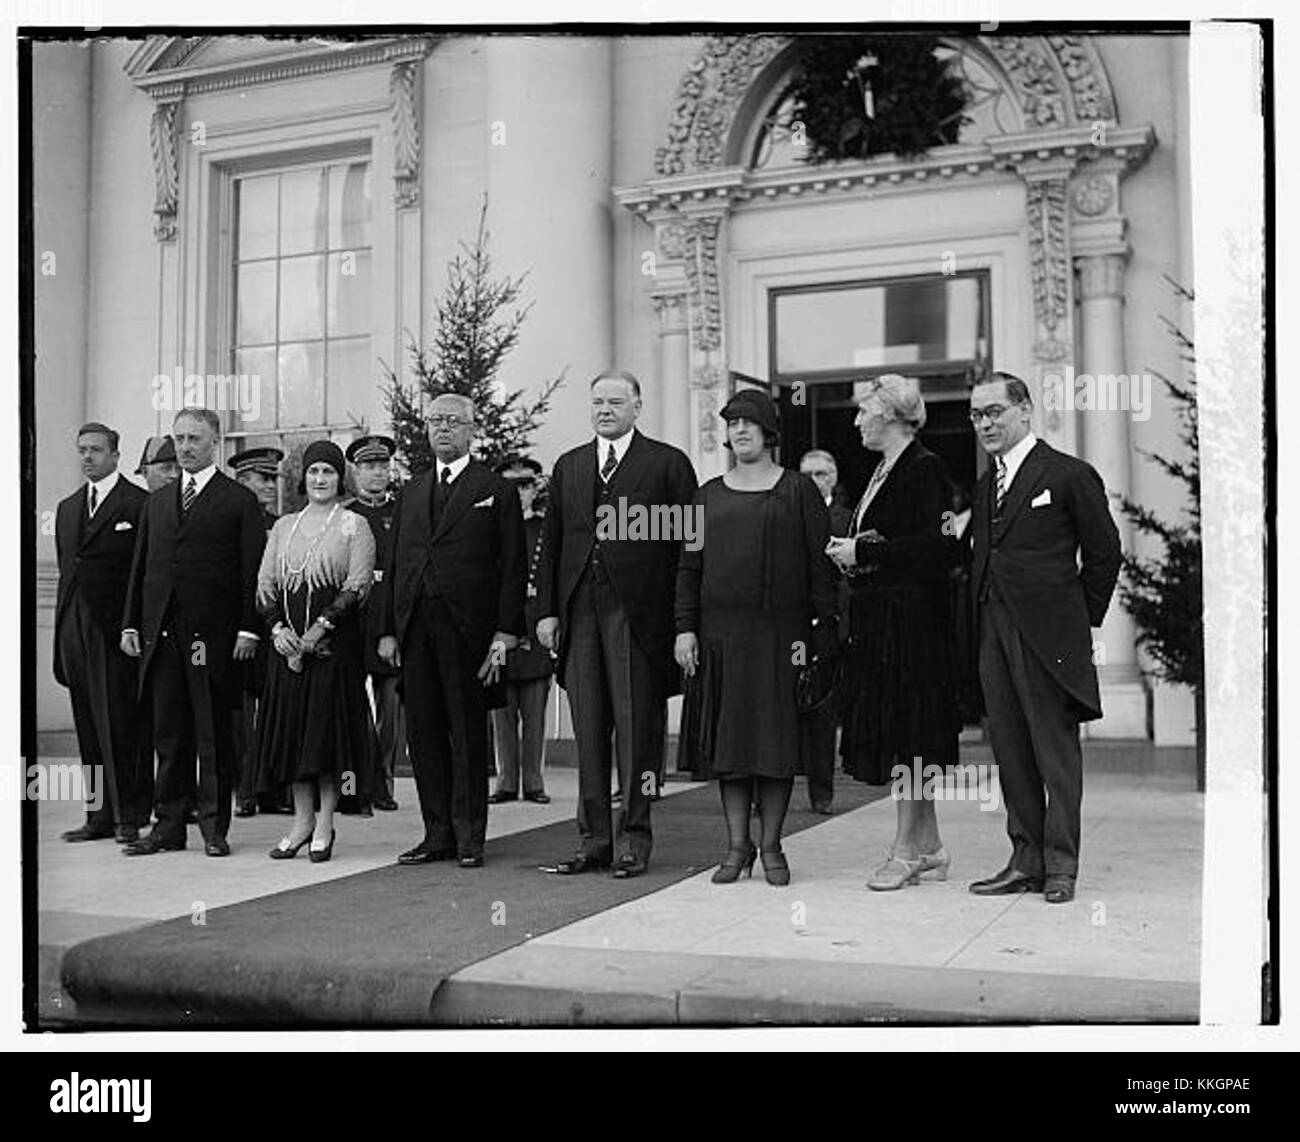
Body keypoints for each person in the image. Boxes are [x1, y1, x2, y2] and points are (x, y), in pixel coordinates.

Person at [535, 370, 697, 879]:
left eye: (615, 401)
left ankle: (634, 838)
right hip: (580, 609)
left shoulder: (667, 465)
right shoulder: (570, 466)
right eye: (597, 402)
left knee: (636, 731)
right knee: (588, 730)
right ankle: (593, 841)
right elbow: (551, 544)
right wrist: (545, 611)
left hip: (638, 614)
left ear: (637, 405)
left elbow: (687, 548)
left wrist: (682, 620)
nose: (604, 409)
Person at [966, 372, 1121, 904]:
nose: (984, 423)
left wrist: (1078, 621)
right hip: (994, 631)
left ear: (1025, 410)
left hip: (1049, 638)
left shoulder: (1069, 474)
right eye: (976, 415)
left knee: (1055, 756)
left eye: (994, 412)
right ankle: (1024, 859)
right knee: (1010, 751)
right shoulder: (987, 483)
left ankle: (1061, 867)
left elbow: (1104, 554)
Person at [677, 391, 836, 886]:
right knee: (731, 746)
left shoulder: (798, 491)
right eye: (732, 423)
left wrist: (823, 631)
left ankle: (771, 844)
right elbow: (687, 567)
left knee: (774, 744)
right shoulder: (703, 495)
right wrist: (684, 628)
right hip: (719, 637)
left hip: (780, 637)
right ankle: (736, 845)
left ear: (769, 432)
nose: (739, 430)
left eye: (749, 423)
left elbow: (820, 566)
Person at [379, 395, 526, 869]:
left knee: (466, 733)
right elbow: (396, 564)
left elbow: (511, 568)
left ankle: (469, 836)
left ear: (471, 428)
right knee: (422, 733)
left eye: (453, 422)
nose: (442, 429)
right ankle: (436, 832)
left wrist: (505, 633)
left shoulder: (495, 491)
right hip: (416, 629)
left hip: (470, 632)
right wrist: (388, 630)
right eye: (435, 421)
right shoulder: (412, 492)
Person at [827, 375, 961, 891]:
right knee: (905, 735)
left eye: (864, 412)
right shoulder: (882, 470)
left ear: (889, 415)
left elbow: (939, 548)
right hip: (883, 623)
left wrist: (865, 552)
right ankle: (929, 846)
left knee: (910, 736)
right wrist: (856, 549)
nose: (857, 422)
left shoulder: (925, 468)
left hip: (913, 627)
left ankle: (905, 851)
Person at [120, 408, 265, 857]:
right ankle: (167, 826)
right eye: (179, 438)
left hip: (213, 640)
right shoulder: (158, 502)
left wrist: (248, 629)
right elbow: (141, 568)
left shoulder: (238, 501)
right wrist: (131, 622)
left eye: (194, 439)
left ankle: (213, 828)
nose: (184, 447)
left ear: (215, 442)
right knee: (169, 734)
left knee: (213, 734)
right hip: (161, 636)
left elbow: (251, 573)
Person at [255, 440, 377, 863]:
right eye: (313, 472)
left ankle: (325, 823)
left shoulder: (353, 526)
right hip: (286, 652)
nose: (320, 479)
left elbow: (357, 585)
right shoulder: (284, 525)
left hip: (331, 651)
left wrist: (318, 630)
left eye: (327, 471)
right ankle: (301, 822)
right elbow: (265, 583)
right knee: (292, 738)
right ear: (303, 479)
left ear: (339, 478)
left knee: (325, 740)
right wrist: (276, 631)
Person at [53, 423, 152, 843]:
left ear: (115, 454)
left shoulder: (138, 504)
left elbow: (143, 571)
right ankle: (97, 816)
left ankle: (128, 816)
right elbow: (66, 569)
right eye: (82, 450)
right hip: (74, 625)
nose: (87, 457)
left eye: (95, 449)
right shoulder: (68, 507)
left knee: (120, 723)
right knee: (88, 723)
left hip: (115, 630)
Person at [229, 447, 290, 819]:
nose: (270, 486)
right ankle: (244, 788)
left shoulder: (282, 524)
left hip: (273, 630)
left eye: (273, 479)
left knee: (273, 714)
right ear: (243, 481)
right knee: (239, 718)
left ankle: (271, 789)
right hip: (239, 629)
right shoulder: (230, 518)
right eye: (262, 478)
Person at [488, 456, 553, 805]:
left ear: (534, 489)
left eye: (525, 485)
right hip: (499, 631)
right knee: (502, 712)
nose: (519, 492)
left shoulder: (545, 529)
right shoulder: (489, 528)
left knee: (534, 714)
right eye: (512, 485)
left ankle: (534, 780)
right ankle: (506, 781)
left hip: (536, 628)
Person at [346, 434, 403, 812]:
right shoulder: (346, 515)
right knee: (353, 709)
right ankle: (355, 784)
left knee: (392, 710)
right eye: (369, 466)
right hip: (354, 623)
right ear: (355, 471)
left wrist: (395, 629)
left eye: (382, 466)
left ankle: (383, 782)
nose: (377, 473)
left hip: (391, 625)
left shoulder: (402, 512)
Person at [798, 448, 852, 813]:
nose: (815, 481)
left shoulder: (848, 518)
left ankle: (822, 792)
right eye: (808, 475)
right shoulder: (785, 513)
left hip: (829, 625)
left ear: (832, 477)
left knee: (822, 711)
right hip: (789, 623)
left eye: (821, 474)